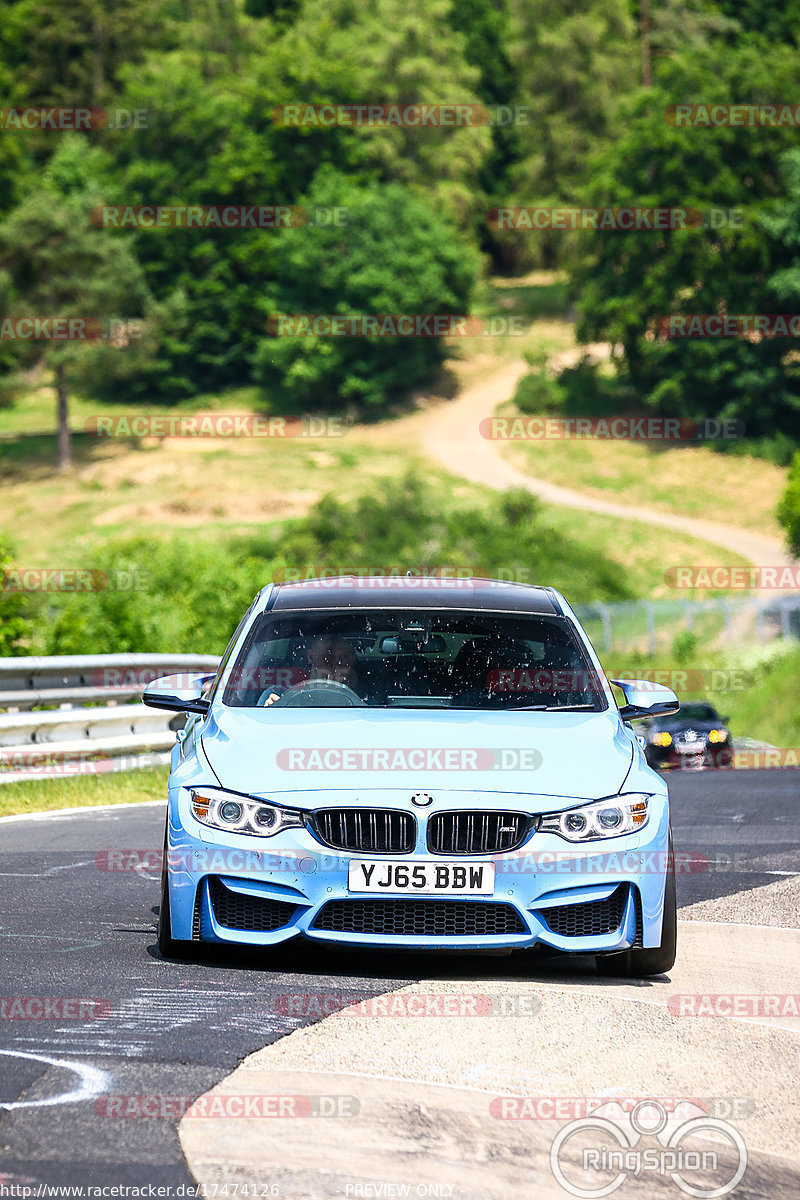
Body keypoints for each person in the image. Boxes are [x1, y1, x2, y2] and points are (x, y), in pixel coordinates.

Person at [262, 635, 358, 705]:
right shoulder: (278, 695)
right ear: (311, 657)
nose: (337, 664)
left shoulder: (366, 701)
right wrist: (270, 711)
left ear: (352, 661)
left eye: (344, 657)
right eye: (329, 656)